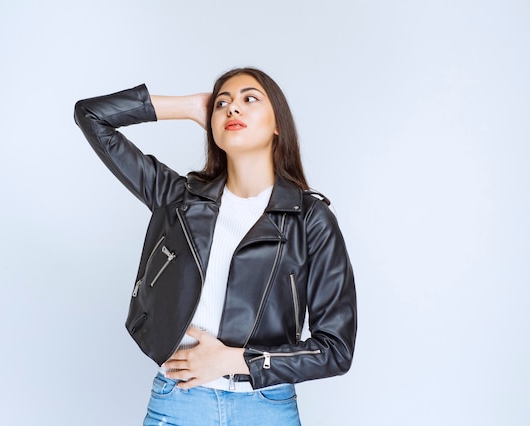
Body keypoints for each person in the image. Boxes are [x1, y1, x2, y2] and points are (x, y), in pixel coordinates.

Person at [74, 67, 357, 426]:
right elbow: (91, 115)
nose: (232, 109)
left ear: (277, 125)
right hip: (178, 402)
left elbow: (335, 349)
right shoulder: (178, 199)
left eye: (249, 99)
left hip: (265, 407)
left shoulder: (310, 219)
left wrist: (233, 360)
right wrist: (191, 107)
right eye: (222, 103)